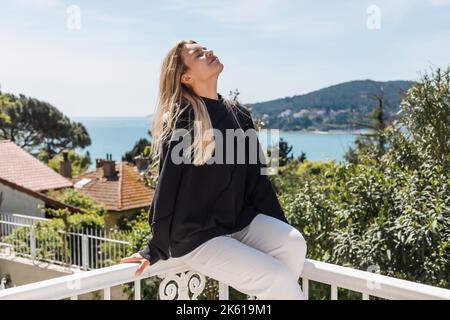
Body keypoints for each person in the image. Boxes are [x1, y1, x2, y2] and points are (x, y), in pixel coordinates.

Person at [121, 40, 307, 300]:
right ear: (185, 76)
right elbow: (167, 187)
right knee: (275, 277)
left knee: (293, 244)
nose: (208, 52)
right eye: (198, 54)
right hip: (196, 235)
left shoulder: (239, 114)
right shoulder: (183, 118)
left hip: (235, 222)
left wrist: (277, 226)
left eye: (204, 48)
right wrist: (155, 248)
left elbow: (258, 181)